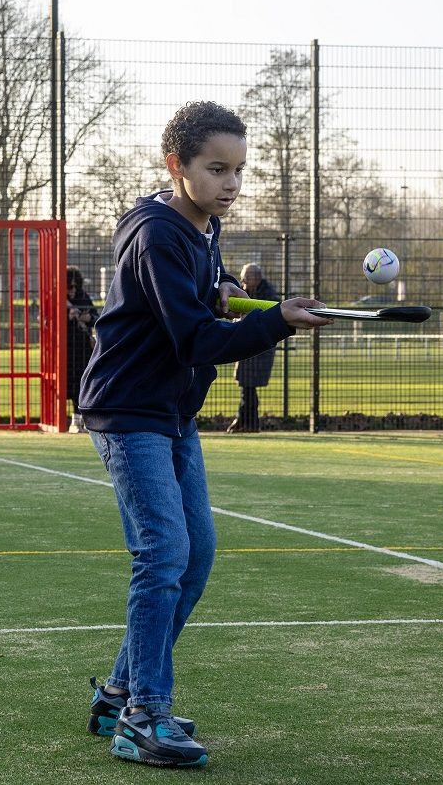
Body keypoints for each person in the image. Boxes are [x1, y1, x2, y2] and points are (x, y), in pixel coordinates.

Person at [77, 101, 331, 767]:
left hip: (171, 414)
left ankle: (117, 694)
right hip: (129, 411)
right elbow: (193, 338)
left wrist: (219, 283)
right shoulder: (156, 231)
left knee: (195, 557)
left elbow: (199, 292)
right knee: (163, 554)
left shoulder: (200, 229)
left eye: (238, 170)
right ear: (176, 166)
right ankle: (143, 717)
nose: (230, 183)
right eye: (215, 169)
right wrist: (277, 318)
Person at [227, 263, 281, 433]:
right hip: (248, 343)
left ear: (256, 278)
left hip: (259, 347)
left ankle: (248, 422)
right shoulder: (248, 292)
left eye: (246, 277)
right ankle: (245, 421)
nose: (242, 280)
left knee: (248, 387)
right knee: (246, 387)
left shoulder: (267, 295)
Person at [66, 266, 97, 433]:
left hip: (82, 348)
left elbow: (96, 317)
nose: (73, 290)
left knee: (82, 383)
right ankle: (68, 419)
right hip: (63, 349)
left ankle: (77, 420)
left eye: (75, 286)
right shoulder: (57, 299)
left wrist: (88, 317)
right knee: (66, 383)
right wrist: (65, 317)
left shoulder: (83, 297)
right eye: (69, 286)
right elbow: (46, 321)